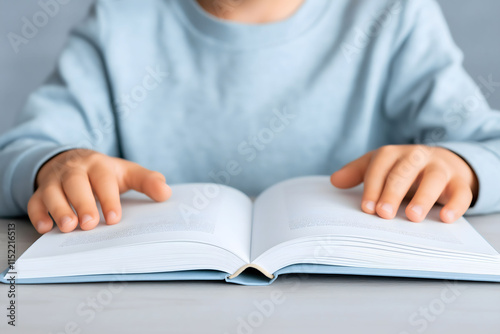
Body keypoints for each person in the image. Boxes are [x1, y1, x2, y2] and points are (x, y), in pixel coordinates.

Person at [1, 0, 499, 234]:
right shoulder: (117, 21)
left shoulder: (394, 16)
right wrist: (56, 164)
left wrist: (460, 166)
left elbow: (489, 146)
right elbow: (17, 155)